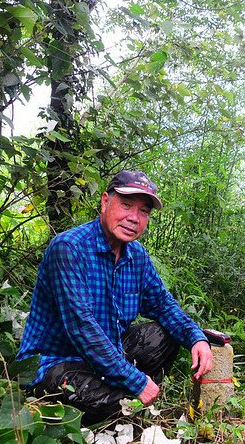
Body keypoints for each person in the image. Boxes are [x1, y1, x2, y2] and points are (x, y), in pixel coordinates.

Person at [16, 170, 213, 424]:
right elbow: (82, 328)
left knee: (164, 334)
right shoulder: (69, 249)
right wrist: (136, 380)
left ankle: (126, 400)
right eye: (127, 205)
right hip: (58, 364)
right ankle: (126, 401)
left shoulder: (136, 256)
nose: (134, 218)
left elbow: (163, 305)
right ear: (105, 201)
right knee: (106, 399)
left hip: (108, 358)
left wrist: (196, 338)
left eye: (144, 212)